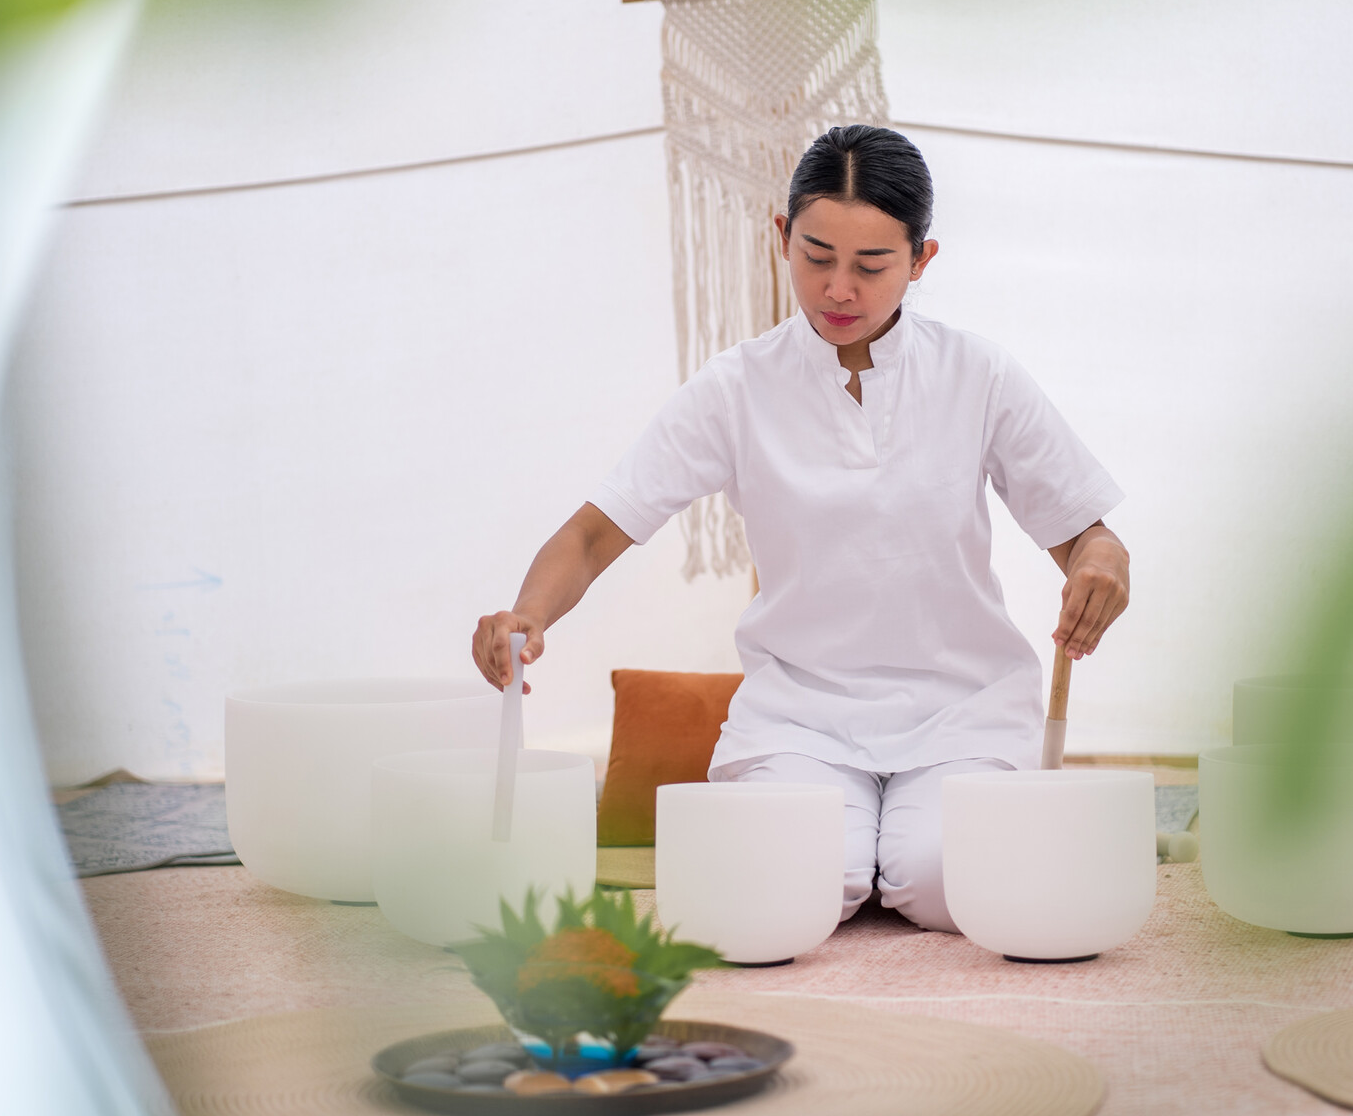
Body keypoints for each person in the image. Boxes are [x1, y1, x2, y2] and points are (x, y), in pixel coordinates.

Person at [471, 124, 1129, 932]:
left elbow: (1086, 536)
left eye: (871, 266)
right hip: (801, 719)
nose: (838, 289)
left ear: (921, 260)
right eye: (816, 257)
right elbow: (593, 533)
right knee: (801, 883)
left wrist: (1103, 564)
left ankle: (897, 855)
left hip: (963, 711)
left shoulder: (979, 374)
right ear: (781, 236)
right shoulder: (736, 389)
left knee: (941, 881)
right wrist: (527, 615)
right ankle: (865, 856)